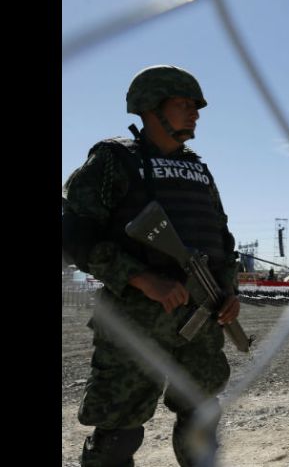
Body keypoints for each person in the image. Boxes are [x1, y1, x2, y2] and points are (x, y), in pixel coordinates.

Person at [62, 65, 241, 467]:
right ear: (150, 108)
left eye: (197, 106)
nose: (195, 113)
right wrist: (141, 278)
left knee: (200, 420)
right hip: (136, 320)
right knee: (118, 434)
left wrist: (229, 291)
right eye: (184, 104)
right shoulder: (114, 161)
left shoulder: (198, 170)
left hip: (203, 315)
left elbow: (221, 240)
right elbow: (74, 233)